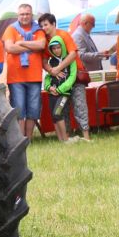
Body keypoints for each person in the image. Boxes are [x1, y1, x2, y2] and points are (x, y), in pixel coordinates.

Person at [40, 13, 91, 141]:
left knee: (80, 105)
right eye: (41, 25)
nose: (44, 28)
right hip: (59, 81)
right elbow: (44, 61)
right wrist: (51, 71)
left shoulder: (64, 34)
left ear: (53, 24)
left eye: (46, 24)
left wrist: (58, 68)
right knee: (63, 108)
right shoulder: (45, 40)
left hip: (76, 75)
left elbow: (73, 54)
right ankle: (66, 137)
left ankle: (86, 136)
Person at [2, 3, 46, 139]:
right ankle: (20, 140)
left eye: (27, 14)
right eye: (22, 14)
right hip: (16, 77)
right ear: (18, 15)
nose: (25, 16)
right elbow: (10, 48)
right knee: (19, 110)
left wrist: (20, 43)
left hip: (35, 76)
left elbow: (42, 45)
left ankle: (29, 139)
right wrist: (32, 47)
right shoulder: (11, 29)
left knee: (33, 109)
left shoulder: (38, 30)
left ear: (31, 15)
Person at [43, 35, 77, 142]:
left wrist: (60, 89)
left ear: (62, 46)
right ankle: (60, 140)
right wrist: (48, 87)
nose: (56, 50)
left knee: (57, 113)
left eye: (58, 47)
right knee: (54, 117)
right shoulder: (51, 61)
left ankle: (66, 139)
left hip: (64, 93)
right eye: (54, 48)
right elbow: (48, 77)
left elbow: (72, 77)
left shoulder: (70, 60)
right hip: (52, 93)